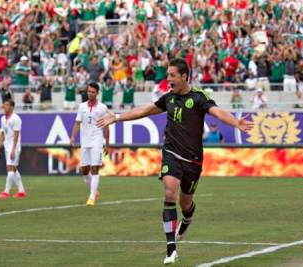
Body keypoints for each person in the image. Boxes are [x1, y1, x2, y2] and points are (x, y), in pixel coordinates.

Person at [97, 58, 253, 265]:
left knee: (185, 202)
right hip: (171, 153)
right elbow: (143, 111)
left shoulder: (198, 97)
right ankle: (171, 249)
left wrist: (235, 122)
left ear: (184, 77)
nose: (168, 79)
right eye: (167, 75)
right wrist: (117, 117)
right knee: (169, 191)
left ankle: (187, 218)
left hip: (194, 159)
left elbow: (217, 112)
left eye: (172, 75)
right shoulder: (167, 98)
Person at [70, 82, 110, 207]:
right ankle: (94, 190)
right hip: (85, 140)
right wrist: (72, 137)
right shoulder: (82, 106)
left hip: (97, 140)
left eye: (93, 92)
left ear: (97, 93)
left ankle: (92, 197)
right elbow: (77, 123)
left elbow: (106, 126)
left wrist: (107, 144)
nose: (90, 94)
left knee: (95, 168)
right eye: (89, 91)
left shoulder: (102, 108)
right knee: (84, 170)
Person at [0, 100, 26, 199]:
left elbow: (16, 135)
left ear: (12, 107)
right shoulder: (2, 119)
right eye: (4, 104)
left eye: (7, 105)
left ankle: (6, 192)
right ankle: (21, 191)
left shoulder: (16, 119)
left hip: (14, 147)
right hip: (6, 146)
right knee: (13, 169)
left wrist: (13, 149)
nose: (4, 106)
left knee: (10, 169)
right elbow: (3, 133)